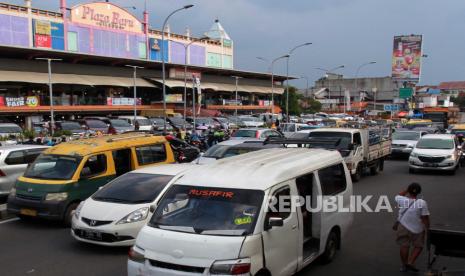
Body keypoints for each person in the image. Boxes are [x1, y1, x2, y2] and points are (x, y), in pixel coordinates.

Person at [394, 183, 430, 273]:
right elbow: (425, 218)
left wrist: (407, 189)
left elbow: (399, 195)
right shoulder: (422, 203)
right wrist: (427, 228)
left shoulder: (402, 200)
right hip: (417, 228)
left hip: (403, 226)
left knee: (404, 245)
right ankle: (410, 262)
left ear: (408, 191)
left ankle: (404, 265)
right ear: (419, 192)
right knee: (418, 246)